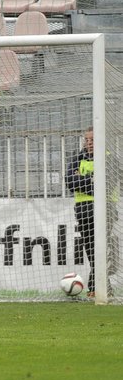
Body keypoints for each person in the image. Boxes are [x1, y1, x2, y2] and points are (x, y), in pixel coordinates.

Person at [66, 127, 118, 297]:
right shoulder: (77, 159)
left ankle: (97, 287)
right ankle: (99, 288)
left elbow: (106, 186)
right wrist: (93, 180)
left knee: (100, 247)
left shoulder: (109, 159)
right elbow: (69, 182)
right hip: (83, 209)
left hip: (105, 208)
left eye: (92, 140)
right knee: (90, 248)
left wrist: (82, 179)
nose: (88, 143)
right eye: (86, 140)